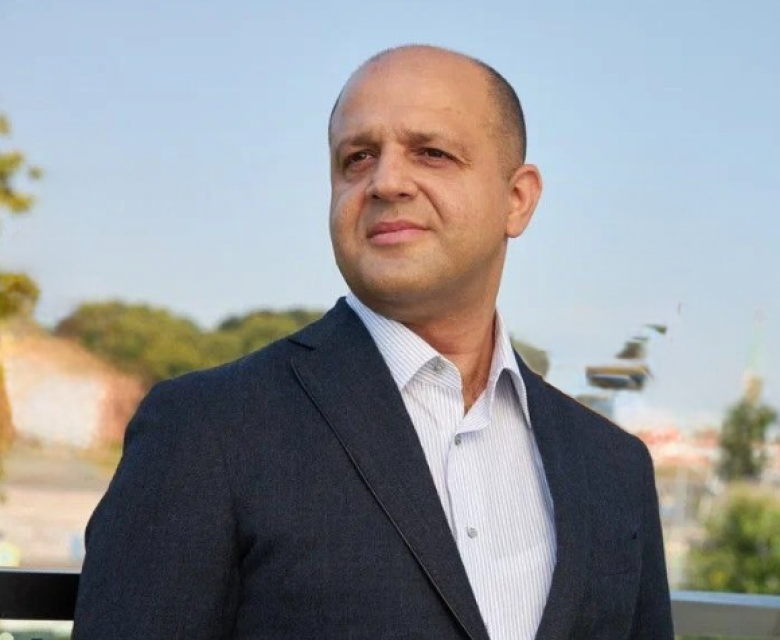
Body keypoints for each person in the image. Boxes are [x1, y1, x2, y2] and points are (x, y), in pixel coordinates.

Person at [73, 45, 673, 640]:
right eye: (357, 158)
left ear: (517, 200)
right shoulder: (205, 430)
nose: (386, 181)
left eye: (431, 153)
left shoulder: (614, 469)